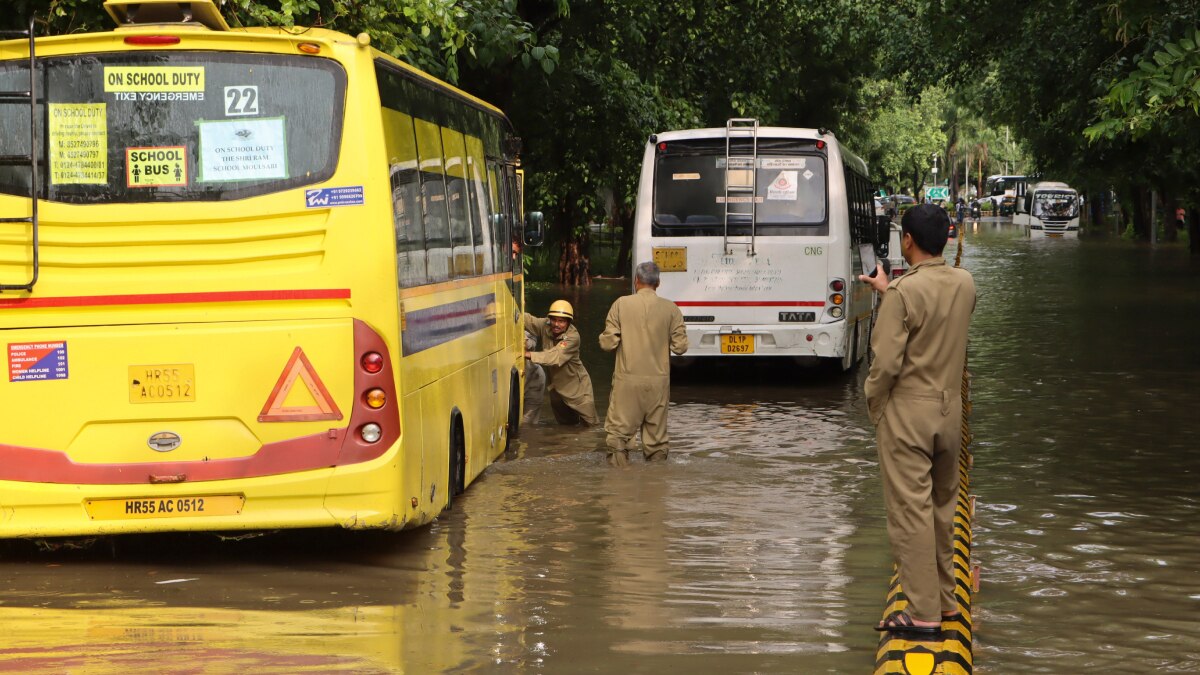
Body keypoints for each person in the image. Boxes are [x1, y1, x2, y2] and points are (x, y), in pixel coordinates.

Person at [858, 204, 976, 636]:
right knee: (943, 509)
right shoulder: (964, 283)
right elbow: (937, 317)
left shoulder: (905, 293)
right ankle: (946, 603)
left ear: (907, 240)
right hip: (948, 412)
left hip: (908, 412)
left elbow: (885, 365)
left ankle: (922, 612)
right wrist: (891, 291)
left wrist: (875, 405)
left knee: (910, 511)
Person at [598, 262, 689, 466]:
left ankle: (621, 487)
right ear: (658, 283)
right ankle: (655, 489)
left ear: (636, 281)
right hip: (658, 383)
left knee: (618, 438)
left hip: (627, 381)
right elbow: (681, 347)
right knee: (657, 443)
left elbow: (607, 343)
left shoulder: (621, 304)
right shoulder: (671, 309)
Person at [523, 300, 599, 426]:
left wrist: (529, 354)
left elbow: (555, 356)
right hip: (556, 389)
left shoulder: (573, 337)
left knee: (590, 426)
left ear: (568, 322)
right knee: (566, 427)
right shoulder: (546, 325)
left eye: (562, 321)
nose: (556, 324)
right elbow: (529, 321)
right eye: (554, 320)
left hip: (577, 389)